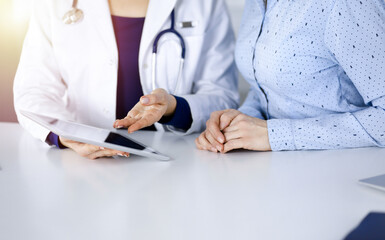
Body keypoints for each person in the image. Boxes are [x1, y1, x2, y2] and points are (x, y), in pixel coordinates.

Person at [14, 0, 239, 159]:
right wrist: (66, 137)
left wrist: (173, 108)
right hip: (81, 164)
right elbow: (33, 90)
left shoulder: (205, 4)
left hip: (180, 162)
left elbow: (222, 96)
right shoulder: (52, 4)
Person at [196, 0, 385, 153]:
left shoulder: (345, 4)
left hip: (345, 171)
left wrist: (274, 135)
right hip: (276, 171)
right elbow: (269, 85)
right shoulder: (255, 4)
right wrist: (238, 123)